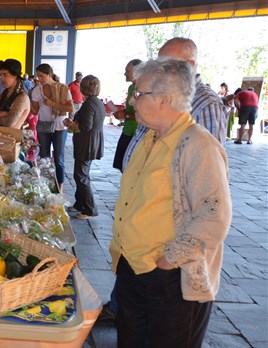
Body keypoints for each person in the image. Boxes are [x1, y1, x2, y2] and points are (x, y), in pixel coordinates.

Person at [110, 58, 231, 348]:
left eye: (138, 94)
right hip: (134, 270)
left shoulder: (198, 144)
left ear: (165, 99)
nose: (132, 100)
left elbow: (215, 217)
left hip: (171, 277)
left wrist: (168, 261)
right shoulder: (150, 137)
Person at [123, 37, 228, 170]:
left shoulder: (207, 104)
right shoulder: (160, 92)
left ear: (189, 65)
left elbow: (209, 169)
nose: (158, 69)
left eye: (165, 64)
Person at [63, 75, 104, 220]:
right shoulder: (96, 102)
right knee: (79, 174)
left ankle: (89, 209)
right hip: (91, 142)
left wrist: (70, 124)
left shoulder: (88, 104)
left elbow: (85, 126)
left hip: (87, 144)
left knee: (81, 176)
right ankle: (80, 203)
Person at [30, 63, 73, 191]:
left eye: (41, 76)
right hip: (43, 125)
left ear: (49, 74)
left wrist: (52, 103)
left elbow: (70, 107)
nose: (39, 79)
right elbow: (34, 111)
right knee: (44, 157)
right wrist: (28, 103)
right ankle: (46, 186)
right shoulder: (37, 90)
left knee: (59, 158)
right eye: (38, 76)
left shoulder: (63, 88)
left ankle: (60, 187)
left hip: (59, 126)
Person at [0, 58, 31, 129]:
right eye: (1, 75)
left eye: (5, 75)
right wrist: (1, 114)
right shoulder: (1, 96)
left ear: (15, 75)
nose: (1, 79)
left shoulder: (22, 98)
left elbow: (9, 124)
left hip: (12, 138)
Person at [112, 59, 142, 172]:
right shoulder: (131, 88)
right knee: (122, 165)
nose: (125, 73)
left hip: (136, 133)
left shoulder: (144, 89)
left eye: (127, 71)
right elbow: (131, 108)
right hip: (127, 131)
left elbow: (144, 113)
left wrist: (127, 116)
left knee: (131, 168)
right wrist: (122, 113)